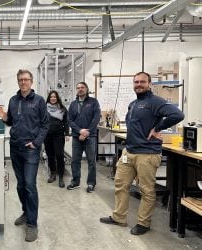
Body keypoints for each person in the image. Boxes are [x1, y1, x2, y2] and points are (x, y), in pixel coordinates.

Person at [100, 72, 184, 235]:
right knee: (120, 184)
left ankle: (143, 223)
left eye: (142, 82)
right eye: (136, 82)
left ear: (149, 84)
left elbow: (178, 114)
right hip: (129, 151)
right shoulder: (133, 104)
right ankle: (119, 217)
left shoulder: (156, 102)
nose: (139, 84)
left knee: (146, 190)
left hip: (147, 153)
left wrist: (157, 128)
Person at [0, 69, 49, 242]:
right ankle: (26, 212)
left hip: (31, 149)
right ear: (18, 82)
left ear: (31, 82)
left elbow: (45, 125)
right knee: (20, 185)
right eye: (20, 80)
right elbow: (11, 121)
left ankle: (32, 225)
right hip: (15, 147)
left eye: (26, 79)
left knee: (29, 185)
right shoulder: (13, 100)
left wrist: (36, 143)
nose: (23, 82)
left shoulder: (39, 101)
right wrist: (3, 116)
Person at [67, 81, 101, 193]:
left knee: (91, 161)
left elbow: (96, 118)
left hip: (90, 136)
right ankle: (75, 182)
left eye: (82, 87)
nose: (80, 89)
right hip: (77, 137)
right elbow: (70, 120)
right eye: (78, 87)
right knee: (75, 161)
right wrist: (80, 131)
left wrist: (87, 132)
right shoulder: (73, 104)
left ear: (86, 89)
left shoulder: (93, 102)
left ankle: (91, 183)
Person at [44, 90, 70, 188]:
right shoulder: (44, 108)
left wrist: (67, 133)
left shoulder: (62, 109)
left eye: (54, 97)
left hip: (58, 135)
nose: (53, 98)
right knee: (50, 155)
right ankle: (53, 173)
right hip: (47, 135)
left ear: (57, 98)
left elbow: (66, 122)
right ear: (49, 98)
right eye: (51, 97)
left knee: (59, 155)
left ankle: (61, 177)